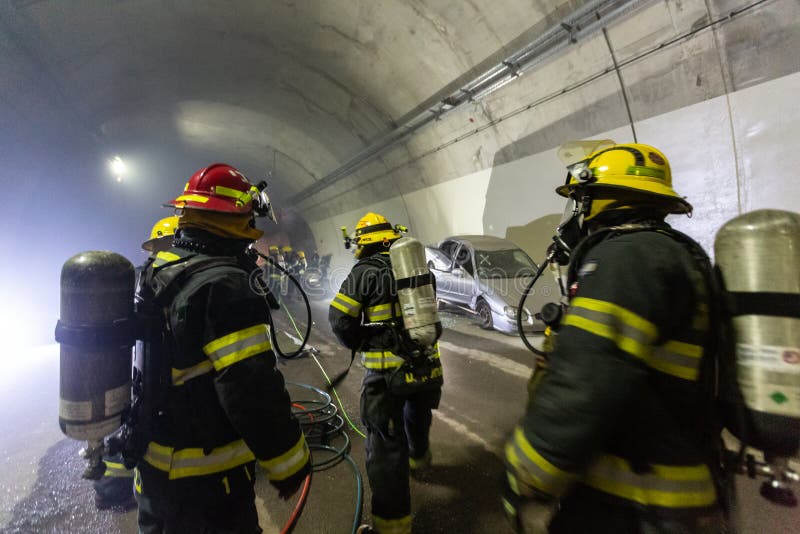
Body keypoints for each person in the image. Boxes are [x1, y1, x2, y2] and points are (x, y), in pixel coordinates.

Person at [502, 143, 723, 533]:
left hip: (636, 503)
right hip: (668, 489)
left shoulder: (627, 260)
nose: (578, 213)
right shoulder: (668, 252)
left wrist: (529, 474)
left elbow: (586, 379)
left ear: (601, 197)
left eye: (581, 200)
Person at [132, 163, 310, 533]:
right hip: (207, 483)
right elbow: (250, 389)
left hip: (152, 469)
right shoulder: (224, 285)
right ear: (237, 213)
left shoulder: (158, 268)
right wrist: (287, 462)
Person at [329, 212, 443, 534]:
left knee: (385, 447)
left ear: (364, 244)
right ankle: (419, 460)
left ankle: (392, 526)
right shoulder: (420, 269)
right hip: (426, 364)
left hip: (387, 374)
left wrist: (361, 340)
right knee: (418, 415)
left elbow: (339, 319)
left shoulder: (364, 272)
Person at [94, 216, 179, 511]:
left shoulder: (142, 277)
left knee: (131, 425)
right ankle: (120, 486)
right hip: (154, 373)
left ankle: (112, 486)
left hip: (135, 368)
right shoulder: (171, 280)